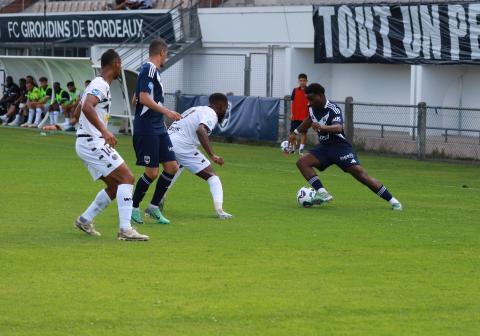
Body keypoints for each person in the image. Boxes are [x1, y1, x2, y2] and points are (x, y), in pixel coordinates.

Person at [288, 83, 402, 210]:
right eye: (307, 99)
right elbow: (309, 120)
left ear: (320, 96)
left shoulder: (333, 109)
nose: (309, 102)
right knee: (302, 162)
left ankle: (393, 201)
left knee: (361, 174)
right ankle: (322, 193)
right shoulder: (311, 107)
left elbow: (338, 127)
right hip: (324, 147)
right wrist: (295, 133)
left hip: (340, 147)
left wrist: (322, 127)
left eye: (311, 99)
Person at [74, 49, 149, 241]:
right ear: (116, 63)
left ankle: (84, 219)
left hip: (87, 141)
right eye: (120, 64)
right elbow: (87, 107)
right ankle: (125, 230)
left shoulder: (95, 84)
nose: (120, 68)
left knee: (116, 186)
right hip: (92, 142)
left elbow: (77, 112)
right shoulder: (100, 84)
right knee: (127, 177)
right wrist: (104, 131)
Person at [130, 38, 182, 225]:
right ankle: (133, 207)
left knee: (172, 167)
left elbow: (136, 97)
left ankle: (152, 207)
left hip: (157, 126)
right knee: (151, 172)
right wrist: (166, 111)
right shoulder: (149, 69)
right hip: (147, 128)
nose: (166, 57)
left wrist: (160, 116)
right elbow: (143, 98)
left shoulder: (152, 72)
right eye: (166, 54)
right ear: (161, 53)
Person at [165, 93, 233, 219]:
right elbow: (201, 130)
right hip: (182, 145)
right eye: (225, 107)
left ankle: (157, 202)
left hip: (168, 140)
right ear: (220, 106)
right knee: (213, 177)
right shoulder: (212, 114)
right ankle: (220, 211)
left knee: (175, 169)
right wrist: (212, 155)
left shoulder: (195, 109)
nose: (225, 110)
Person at [290, 73, 309, 155]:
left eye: (304, 80)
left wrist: (309, 116)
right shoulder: (295, 90)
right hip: (295, 116)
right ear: (298, 81)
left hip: (305, 116)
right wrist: (291, 113)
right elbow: (292, 102)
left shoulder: (309, 91)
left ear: (306, 81)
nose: (302, 82)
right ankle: (293, 149)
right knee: (292, 133)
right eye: (301, 80)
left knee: (303, 133)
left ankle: (301, 150)